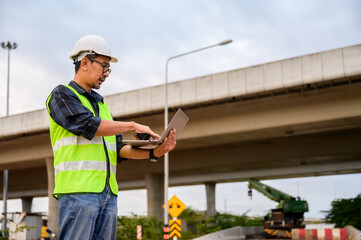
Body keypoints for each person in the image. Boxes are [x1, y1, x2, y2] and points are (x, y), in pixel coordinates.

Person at [46, 35, 176, 240]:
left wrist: (156, 151)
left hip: (108, 194)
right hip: (77, 192)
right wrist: (132, 125)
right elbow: (88, 125)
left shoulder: (102, 106)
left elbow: (119, 150)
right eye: (104, 66)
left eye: (109, 68)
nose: (106, 73)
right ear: (85, 62)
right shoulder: (62, 95)